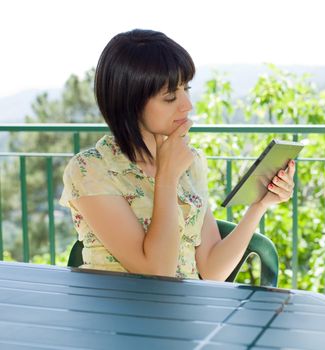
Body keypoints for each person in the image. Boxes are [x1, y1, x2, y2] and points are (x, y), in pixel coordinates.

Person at [59, 29, 295, 280]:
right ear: (129, 104)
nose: (187, 105)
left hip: (182, 312)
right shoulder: (91, 169)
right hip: (117, 313)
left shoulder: (189, 162)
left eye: (186, 89)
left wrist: (259, 205)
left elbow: (213, 270)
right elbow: (156, 273)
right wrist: (167, 177)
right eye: (170, 97)